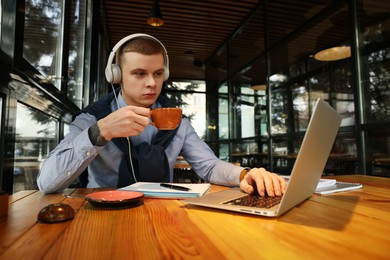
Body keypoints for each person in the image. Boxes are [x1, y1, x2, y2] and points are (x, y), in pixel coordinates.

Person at [37, 33, 286, 196]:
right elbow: (47, 183)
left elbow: (208, 166)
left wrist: (245, 174)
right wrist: (100, 132)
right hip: (104, 212)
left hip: (165, 210)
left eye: (157, 74)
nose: (152, 84)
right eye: (139, 73)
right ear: (116, 75)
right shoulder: (91, 120)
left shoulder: (177, 121)